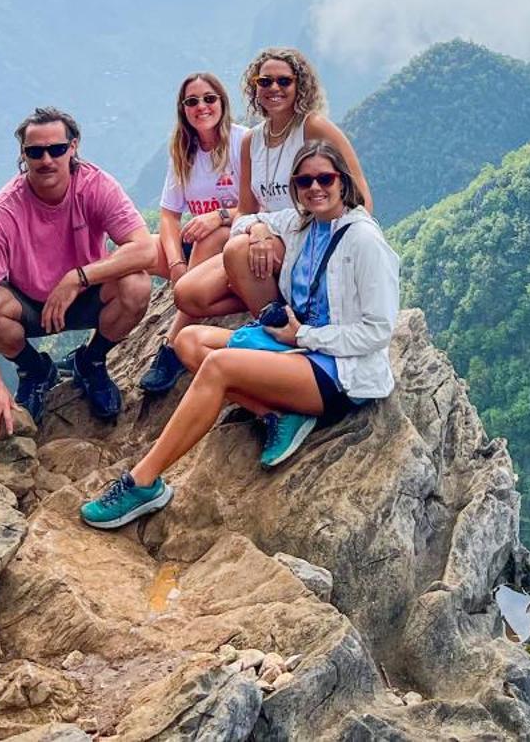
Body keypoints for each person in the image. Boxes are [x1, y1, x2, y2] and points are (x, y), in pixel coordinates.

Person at [80, 141, 398, 529]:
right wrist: (262, 229)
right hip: (295, 350)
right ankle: (278, 412)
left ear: (343, 183)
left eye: (325, 178)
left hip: (337, 373)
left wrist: (306, 337)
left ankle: (143, 482)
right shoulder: (302, 225)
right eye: (304, 181)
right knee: (188, 342)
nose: (315, 187)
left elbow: (378, 331)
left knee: (218, 366)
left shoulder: (364, 240)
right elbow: (247, 221)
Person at [0, 106, 159, 441]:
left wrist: (77, 277)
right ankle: (35, 371)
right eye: (35, 152)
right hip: (29, 302)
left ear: (74, 147)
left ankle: (91, 362)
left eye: (57, 149)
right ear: (24, 155)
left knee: (136, 284)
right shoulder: (4, 211)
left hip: (87, 294)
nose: (47, 160)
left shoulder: (95, 186)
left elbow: (145, 248)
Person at [169, 47, 372, 331]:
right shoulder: (251, 141)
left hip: (312, 238)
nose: (273, 88)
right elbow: (246, 211)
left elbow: (360, 197)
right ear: (254, 88)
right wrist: (257, 229)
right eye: (264, 82)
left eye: (284, 81)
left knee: (238, 251)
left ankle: (278, 328)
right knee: (188, 294)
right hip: (266, 241)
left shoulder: (313, 128)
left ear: (299, 85)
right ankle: (271, 297)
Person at [135, 72, 250, 396]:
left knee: (209, 236)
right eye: (192, 101)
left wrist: (219, 216)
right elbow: (169, 216)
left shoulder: (244, 142)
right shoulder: (183, 151)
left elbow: (264, 206)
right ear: (183, 109)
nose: (202, 106)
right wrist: (175, 266)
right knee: (140, 250)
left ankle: (171, 347)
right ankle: (94, 358)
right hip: (202, 246)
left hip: (239, 238)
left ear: (223, 103)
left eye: (209, 98)